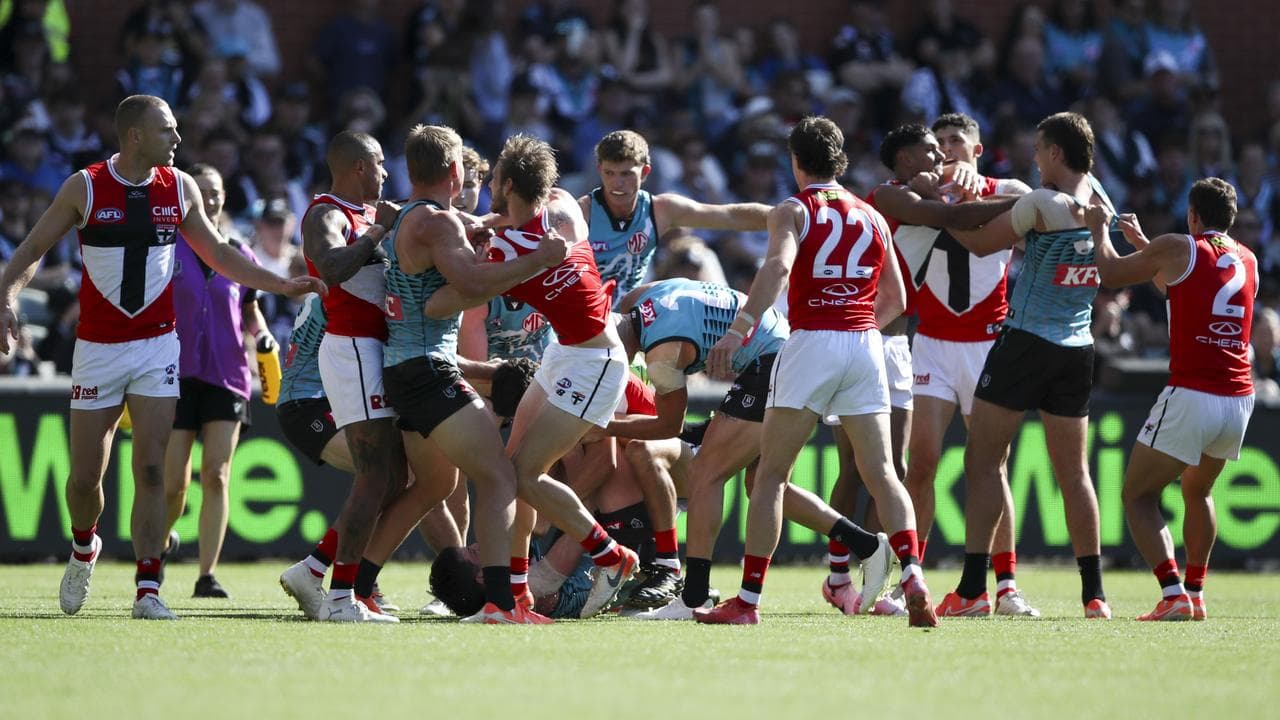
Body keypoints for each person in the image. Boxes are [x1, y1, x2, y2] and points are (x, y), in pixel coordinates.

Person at [0, 94, 323, 620]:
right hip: (98, 349)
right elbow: (32, 250)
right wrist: (7, 297)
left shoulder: (180, 188)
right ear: (134, 136)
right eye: (166, 130)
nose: (176, 140)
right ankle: (85, 548)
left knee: (153, 469)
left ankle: (148, 589)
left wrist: (279, 285)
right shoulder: (85, 187)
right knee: (85, 479)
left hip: (157, 346)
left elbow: (219, 252)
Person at [694, 116, 937, 627]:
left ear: (795, 161)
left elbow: (778, 268)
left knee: (770, 478)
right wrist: (855, 325)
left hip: (811, 342)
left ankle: (748, 603)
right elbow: (896, 297)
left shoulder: (793, 209)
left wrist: (739, 330)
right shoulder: (870, 215)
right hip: (866, 344)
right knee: (884, 474)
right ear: (840, 161)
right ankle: (913, 572)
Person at [359, 124, 577, 625]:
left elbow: (454, 239)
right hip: (429, 369)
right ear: (456, 171)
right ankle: (501, 603)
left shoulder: (419, 216)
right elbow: (473, 280)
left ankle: (358, 584)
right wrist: (539, 259)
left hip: (404, 370)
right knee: (500, 474)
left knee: (431, 488)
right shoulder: (437, 224)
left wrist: (483, 229)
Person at [427, 134, 642, 621]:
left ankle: (611, 555)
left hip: (596, 364)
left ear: (503, 183)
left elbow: (448, 301)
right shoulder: (565, 209)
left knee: (525, 475)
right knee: (508, 470)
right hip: (567, 351)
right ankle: (518, 592)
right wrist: (485, 222)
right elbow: (518, 222)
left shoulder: (508, 255)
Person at [866, 116, 1039, 617]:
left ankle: (1005, 585)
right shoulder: (917, 195)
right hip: (933, 344)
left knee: (992, 467)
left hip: (989, 344)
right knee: (920, 465)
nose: (945, 152)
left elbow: (1024, 218)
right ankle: (909, 580)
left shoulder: (1008, 187)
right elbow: (948, 216)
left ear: (977, 148)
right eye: (937, 144)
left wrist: (1018, 200)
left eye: (954, 142)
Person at [944, 111, 1115, 619]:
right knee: (1075, 474)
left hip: (1024, 342)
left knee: (983, 460)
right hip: (1077, 348)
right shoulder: (1100, 199)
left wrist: (941, 209)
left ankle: (974, 587)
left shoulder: (1042, 201)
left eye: (1039, 151)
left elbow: (978, 242)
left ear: (1057, 153)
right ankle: (1095, 595)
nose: (1035, 160)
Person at [1085, 178, 1256, 621]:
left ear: (1193, 214)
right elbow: (1181, 286)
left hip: (1192, 393)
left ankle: (1172, 591)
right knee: (1198, 491)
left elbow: (1111, 273)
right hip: (1238, 397)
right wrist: (1144, 244)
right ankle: (1195, 592)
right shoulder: (1247, 259)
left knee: (1137, 496)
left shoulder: (1180, 245)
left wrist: (1099, 229)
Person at [300, 130, 405, 623]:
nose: (386, 173)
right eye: (380, 163)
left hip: (372, 351)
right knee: (375, 474)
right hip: (353, 349)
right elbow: (331, 267)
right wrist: (377, 233)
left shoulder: (364, 214)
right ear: (360, 166)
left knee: (393, 475)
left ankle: (315, 569)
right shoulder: (326, 213)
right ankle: (341, 598)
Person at [162, 163, 277, 600]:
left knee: (217, 474)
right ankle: (165, 539)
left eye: (215, 192)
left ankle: (206, 574)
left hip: (227, 373)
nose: (209, 199)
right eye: (202, 191)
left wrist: (261, 333)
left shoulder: (238, 254)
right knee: (173, 483)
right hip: (176, 373)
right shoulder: (169, 247)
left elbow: (249, 308)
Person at [580, 130, 770, 303]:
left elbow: (730, 216)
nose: (617, 183)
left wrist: (780, 215)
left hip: (635, 316)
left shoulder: (661, 209)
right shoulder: (581, 212)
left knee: (698, 257)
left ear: (645, 172)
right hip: (588, 317)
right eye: (609, 173)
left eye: (626, 174)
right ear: (599, 170)